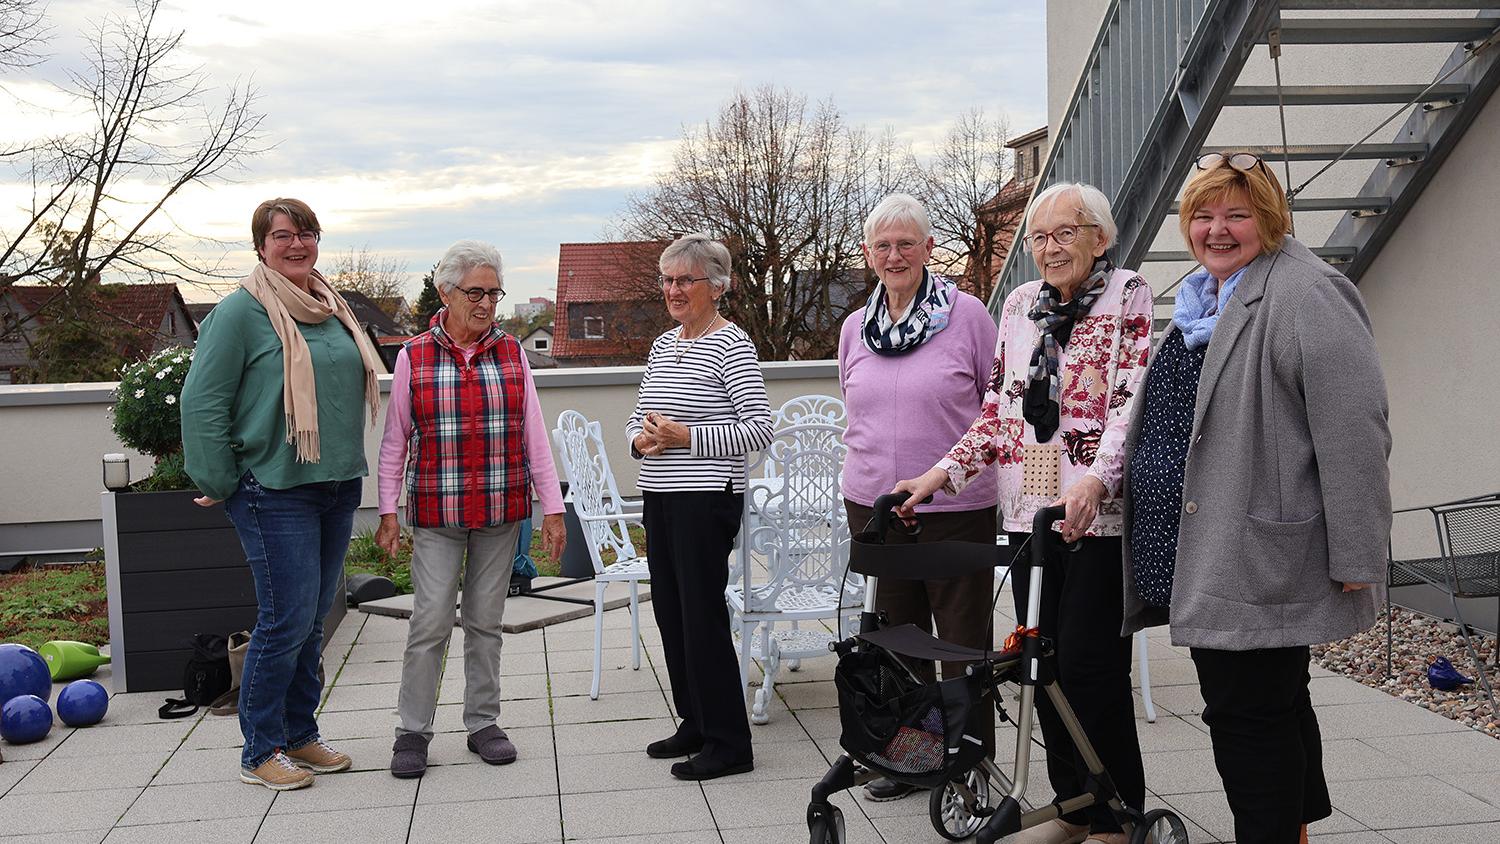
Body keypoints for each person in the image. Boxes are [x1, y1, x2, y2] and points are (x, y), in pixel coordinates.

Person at [1121, 152, 1390, 844]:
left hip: (1256, 550)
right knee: (1274, 701)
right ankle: (1291, 829)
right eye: (1203, 214)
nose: (1217, 228)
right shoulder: (1204, 296)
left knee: (1244, 712)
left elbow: (1355, 430)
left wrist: (1360, 550)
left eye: (1236, 214)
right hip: (1209, 544)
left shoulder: (1306, 291)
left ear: (1269, 219)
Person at [896, 183, 1152, 844]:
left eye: (1066, 232)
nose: (1050, 247)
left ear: (1101, 238)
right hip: (1026, 514)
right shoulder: (1017, 304)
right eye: (1039, 236)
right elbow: (998, 412)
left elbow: (1129, 406)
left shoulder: (1128, 294)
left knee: (1094, 667)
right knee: (1045, 669)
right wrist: (940, 474)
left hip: (1094, 516)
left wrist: (1095, 481)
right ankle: (1070, 807)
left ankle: (1115, 816)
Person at [181, 197, 383, 791]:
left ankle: (300, 735)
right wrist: (221, 482)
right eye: (283, 235)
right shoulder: (241, 314)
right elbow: (202, 401)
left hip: (336, 483)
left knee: (313, 619)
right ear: (260, 246)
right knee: (285, 619)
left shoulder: (331, 307)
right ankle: (260, 749)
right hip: (274, 489)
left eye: (308, 233)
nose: (298, 244)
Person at [375, 240, 566, 779]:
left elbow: (534, 436)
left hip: (502, 510)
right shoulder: (415, 354)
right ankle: (412, 731)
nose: (485, 303)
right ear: (446, 292)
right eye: (475, 292)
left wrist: (552, 509)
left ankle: (483, 722)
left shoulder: (512, 353)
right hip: (437, 512)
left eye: (493, 292)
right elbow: (396, 442)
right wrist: (388, 511)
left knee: (486, 622)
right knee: (430, 620)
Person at [837, 192, 1001, 802]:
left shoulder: (969, 317)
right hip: (874, 507)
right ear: (867, 256)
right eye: (882, 245)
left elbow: (997, 407)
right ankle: (910, 757)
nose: (894, 254)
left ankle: (967, 763)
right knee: (896, 638)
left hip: (954, 508)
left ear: (931, 249)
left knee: (959, 643)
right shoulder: (856, 327)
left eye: (907, 243)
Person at [626, 232, 773, 781]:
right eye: (667, 280)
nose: (673, 289)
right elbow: (639, 416)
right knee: (670, 612)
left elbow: (760, 430)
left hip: (706, 498)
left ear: (717, 285)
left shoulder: (732, 344)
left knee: (702, 616)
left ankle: (730, 743)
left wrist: (687, 437)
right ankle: (696, 721)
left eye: (685, 279)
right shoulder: (665, 345)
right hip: (660, 495)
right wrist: (638, 441)